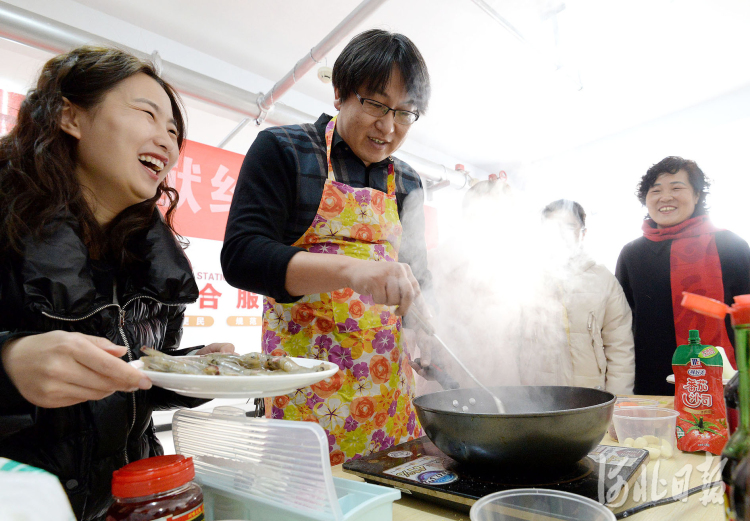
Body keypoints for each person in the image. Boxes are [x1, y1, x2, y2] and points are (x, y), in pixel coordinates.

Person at [0, 47, 233, 519]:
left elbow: (130, 385)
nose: (167, 141)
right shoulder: (7, 224)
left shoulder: (153, 263)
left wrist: (188, 372)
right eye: (147, 114)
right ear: (70, 117)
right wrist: (8, 365)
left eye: (173, 131)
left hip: (125, 502)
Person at [221, 29, 433, 464]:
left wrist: (424, 320)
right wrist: (350, 270)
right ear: (339, 93)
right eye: (375, 104)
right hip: (306, 392)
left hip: (388, 393)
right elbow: (242, 255)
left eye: (406, 113)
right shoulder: (285, 150)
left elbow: (416, 275)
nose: (388, 127)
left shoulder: (408, 183)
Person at [616, 157, 750, 395]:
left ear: (697, 195)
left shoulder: (730, 245)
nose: (665, 197)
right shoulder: (632, 254)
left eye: (677, 188)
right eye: (655, 190)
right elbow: (622, 322)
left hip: (724, 383)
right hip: (651, 382)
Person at [529, 199, 635, 394]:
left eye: (569, 227)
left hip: (591, 396)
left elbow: (620, 347)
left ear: (583, 233)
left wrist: (616, 402)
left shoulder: (603, 280)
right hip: (537, 397)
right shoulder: (524, 277)